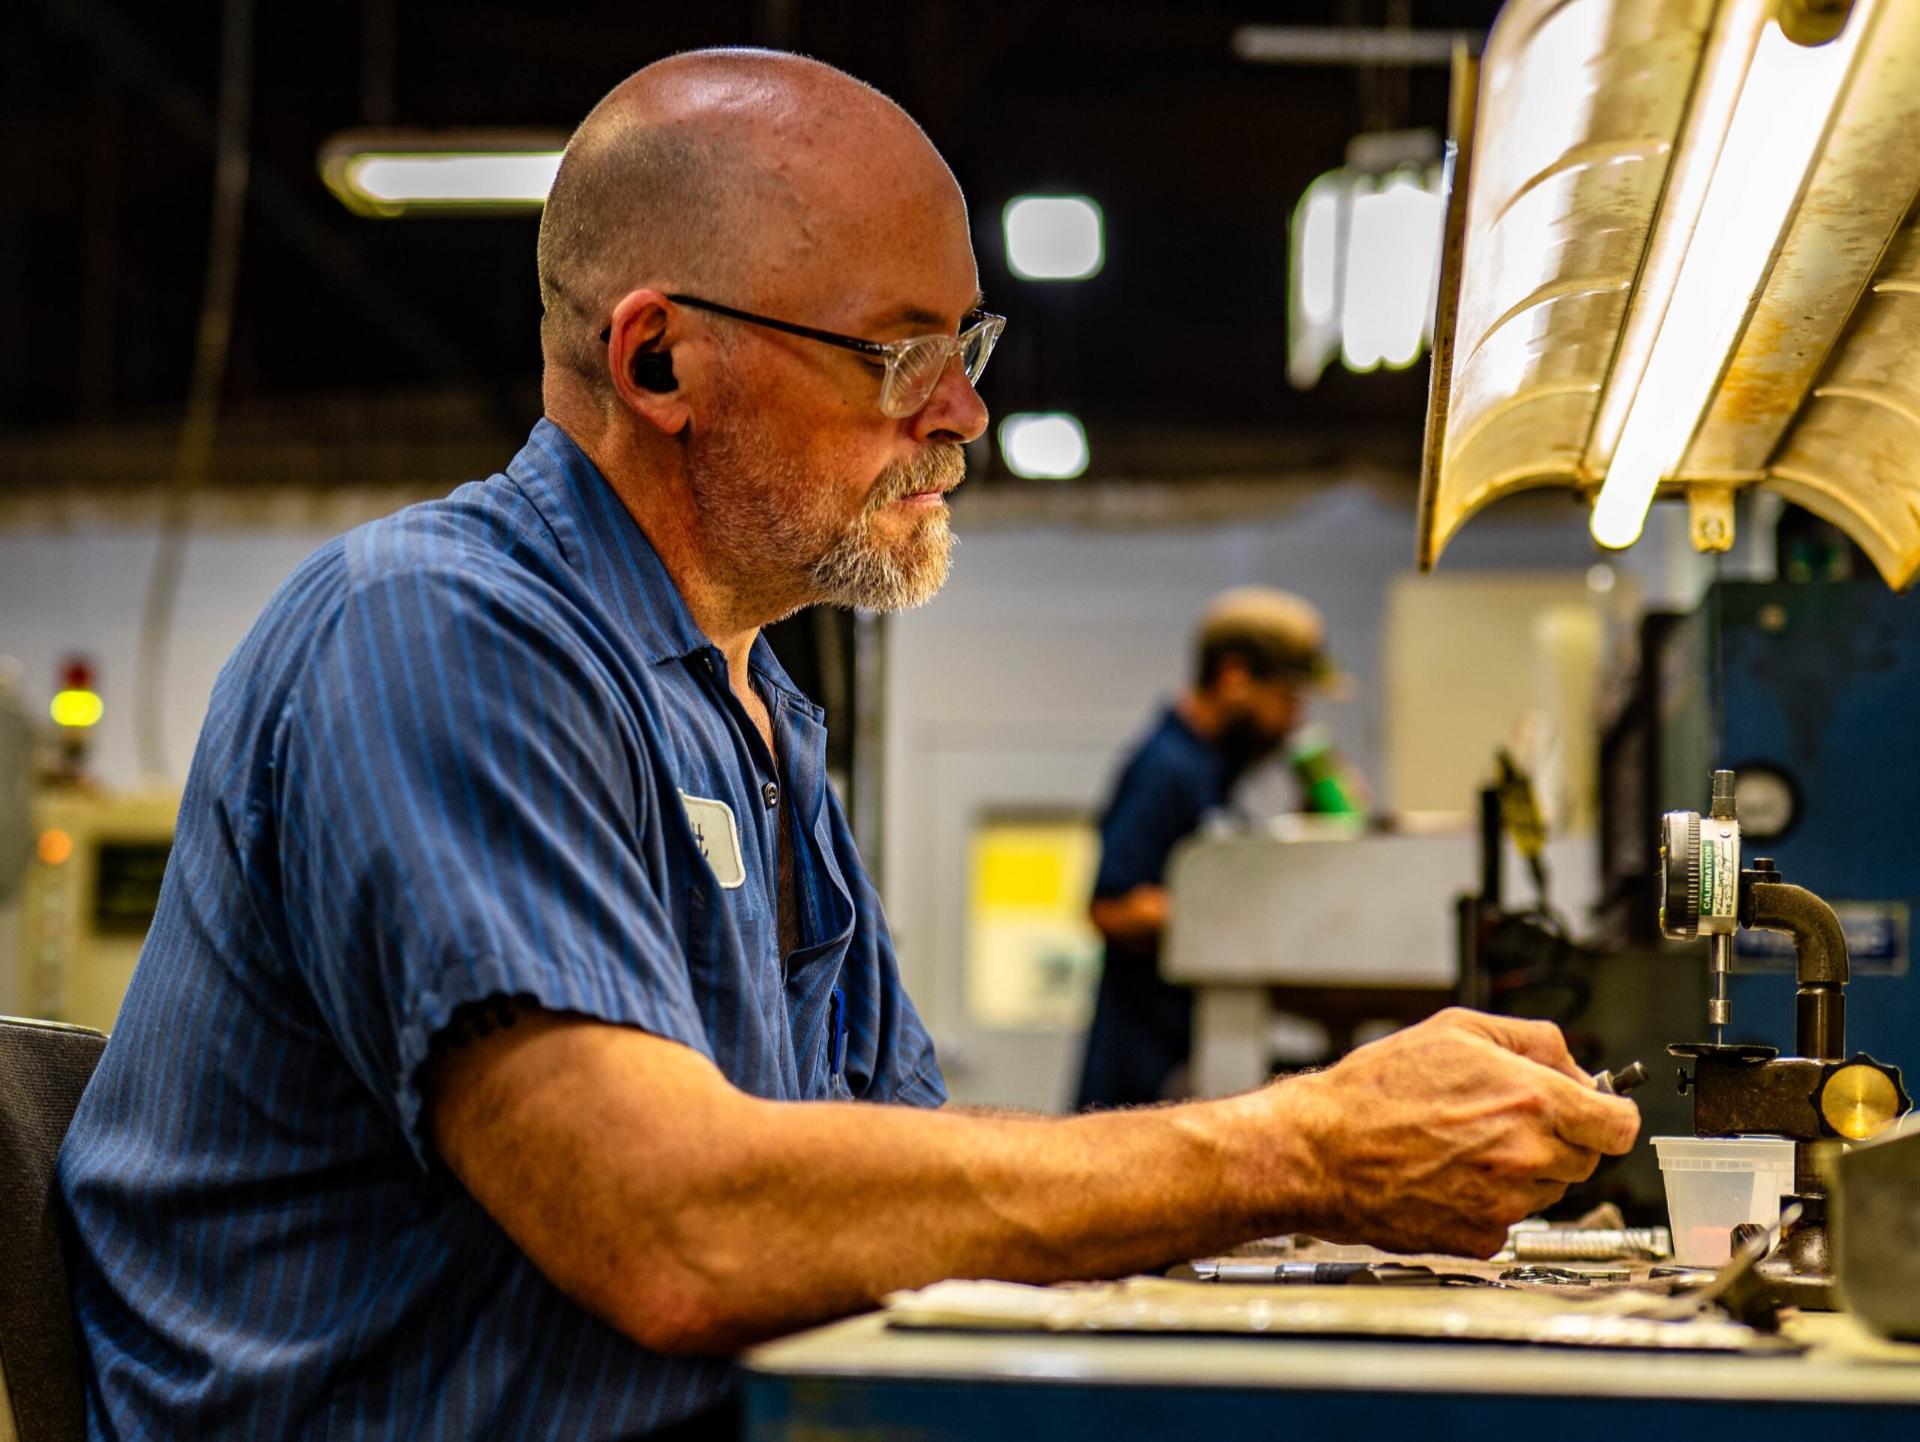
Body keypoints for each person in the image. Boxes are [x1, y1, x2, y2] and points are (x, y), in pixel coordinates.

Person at [56, 49, 1640, 1441]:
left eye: (970, 344)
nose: (962, 414)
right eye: (898, 353)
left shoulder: (751, 712)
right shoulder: (434, 636)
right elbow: (673, 1228)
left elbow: (896, 1167)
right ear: (660, 359)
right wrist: (1301, 1148)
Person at [1075, 587, 1353, 1110]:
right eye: (1287, 699)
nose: (1294, 720)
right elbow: (1110, 908)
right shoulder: (1164, 768)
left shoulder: (1215, 770)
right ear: (1233, 678)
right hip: (1142, 1075)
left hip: (1187, 1056)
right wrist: (1230, 919)